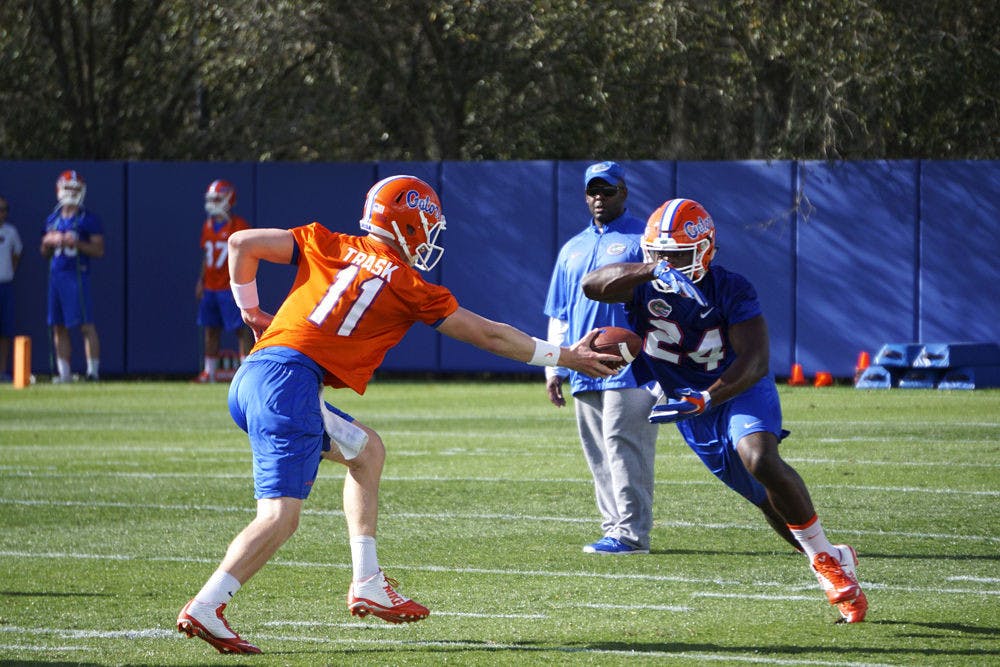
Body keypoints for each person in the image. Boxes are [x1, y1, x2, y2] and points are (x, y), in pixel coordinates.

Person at [176, 174, 620, 655]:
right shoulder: (409, 284)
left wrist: (252, 311)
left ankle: (367, 579)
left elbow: (242, 243)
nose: (430, 237)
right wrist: (568, 357)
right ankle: (207, 604)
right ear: (408, 223)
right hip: (291, 386)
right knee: (280, 517)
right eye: (427, 226)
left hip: (255, 376)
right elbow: (492, 336)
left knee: (366, 451)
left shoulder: (326, 241)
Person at [581, 198, 868, 623]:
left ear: (704, 250)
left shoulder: (732, 288)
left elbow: (754, 360)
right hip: (688, 406)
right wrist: (652, 269)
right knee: (766, 499)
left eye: (677, 256)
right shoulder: (643, 280)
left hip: (736, 388)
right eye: (659, 255)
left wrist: (709, 396)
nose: (668, 264)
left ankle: (826, 564)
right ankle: (828, 556)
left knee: (758, 457)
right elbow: (592, 284)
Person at [543, 161, 659, 554]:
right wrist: (553, 367)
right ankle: (614, 528)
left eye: (607, 191)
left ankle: (631, 534)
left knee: (623, 442)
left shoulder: (643, 236)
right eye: (593, 191)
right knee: (598, 450)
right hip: (583, 363)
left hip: (632, 363)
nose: (598, 198)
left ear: (623, 192)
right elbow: (559, 312)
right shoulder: (572, 247)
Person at [40, 170, 104, 382]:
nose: (71, 193)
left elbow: (98, 250)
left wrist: (75, 242)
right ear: (59, 190)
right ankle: (64, 374)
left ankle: (93, 372)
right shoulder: (53, 218)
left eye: (75, 189)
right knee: (58, 326)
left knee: (86, 325)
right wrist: (49, 242)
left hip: (76, 276)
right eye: (67, 188)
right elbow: (43, 251)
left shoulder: (88, 219)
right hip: (56, 276)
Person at [194, 179, 253, 382]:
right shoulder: (208, 225)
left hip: (229, 286)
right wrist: (201, 280)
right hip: (210, 286)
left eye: (217, 198)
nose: (212, 202)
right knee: (210, 329)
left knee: (240, 328)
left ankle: (247, 371)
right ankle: (208, 372)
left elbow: (248, 256)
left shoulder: (239, 226)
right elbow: (206, 256)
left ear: (228, 198)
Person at [0, 196, 23, 381]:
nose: (2, 213)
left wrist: (10, 272)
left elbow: (17, 253)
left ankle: (2, 371)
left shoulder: (11, 232)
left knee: (5, 331)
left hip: (5, 285)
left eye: (4, 209)